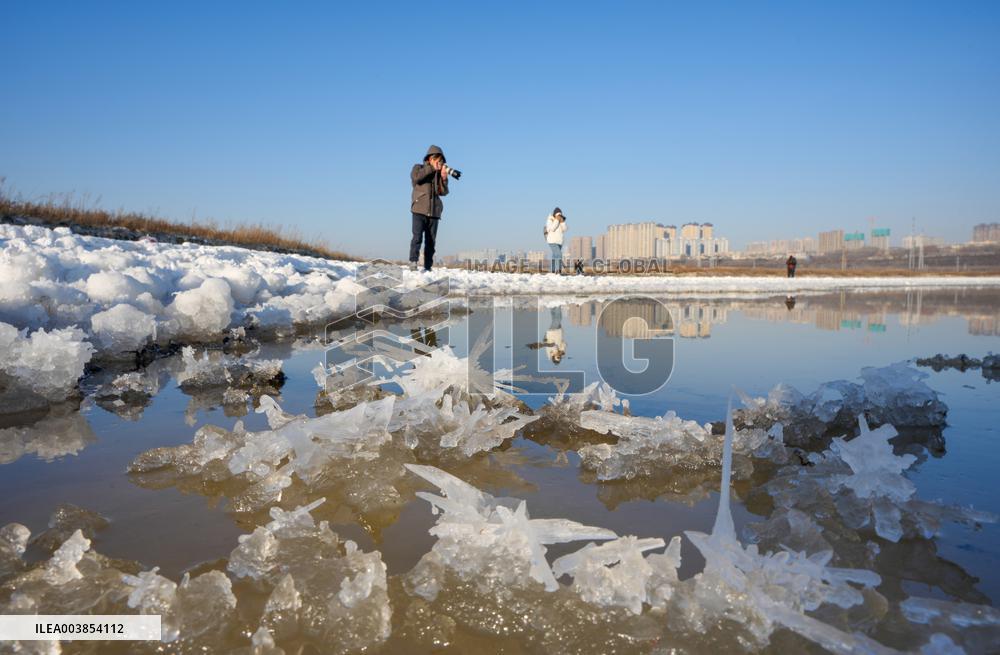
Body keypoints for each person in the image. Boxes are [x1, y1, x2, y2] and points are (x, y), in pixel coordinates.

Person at [410, 145, 451, 272]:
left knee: (431, 241)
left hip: (434, 211)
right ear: (430, 159)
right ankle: (413, 262)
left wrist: (444, 178)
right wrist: (432, 168)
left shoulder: (438, 174)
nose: (439, 163)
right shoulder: (418, 168)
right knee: (417, 237)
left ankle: (428, 267)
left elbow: (443, 192)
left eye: (441, 160)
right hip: (419, 209)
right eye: (437, 160)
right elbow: (416, 178)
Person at [544, 208, 568, 274]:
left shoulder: (561, 221)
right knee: (559, 254)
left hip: (559, 241)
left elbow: (565, 229)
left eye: (560, 215)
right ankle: (558, 270)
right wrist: (557, 220)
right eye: (558, 215)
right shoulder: (550, 219)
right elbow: (552, 228)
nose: (559, 216)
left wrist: (562, 222)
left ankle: (553, 271)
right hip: (552, 241)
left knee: (555, 256)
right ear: (555, 214)